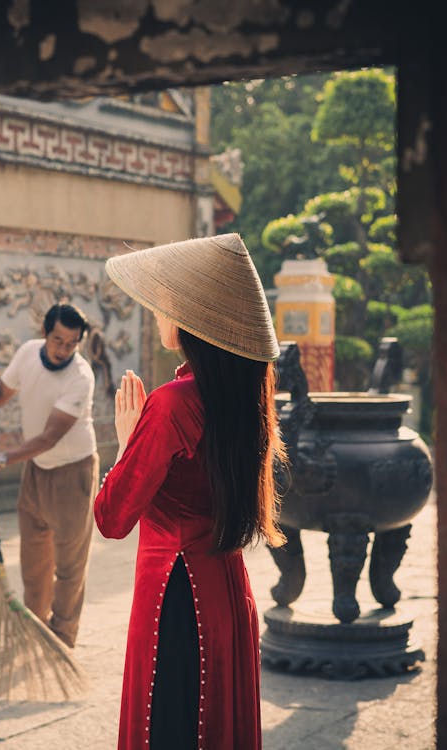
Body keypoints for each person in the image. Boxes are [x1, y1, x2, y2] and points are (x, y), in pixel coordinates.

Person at [95, 233, 286, 749]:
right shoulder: (246, 396)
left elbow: (112, 518)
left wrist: (123, 445)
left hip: (174, 598)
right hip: (224, 587)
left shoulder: (173, 404)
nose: (157, 313)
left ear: (192, 318)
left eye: (165, 303)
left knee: (173, 730)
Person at [0, 303, 98, 649]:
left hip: (73, 471)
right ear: (45, 333)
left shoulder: (80, 377)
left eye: (71, 343)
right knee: (34, 563)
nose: (63, 349)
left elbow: (49, 438)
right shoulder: (29, 353)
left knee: (70, 566)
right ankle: (36, 630)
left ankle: (61, 641)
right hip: (36, 470)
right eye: (58, 339)